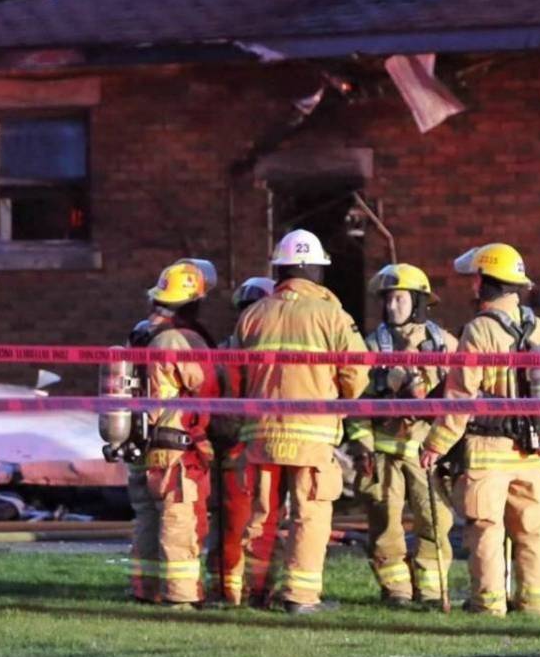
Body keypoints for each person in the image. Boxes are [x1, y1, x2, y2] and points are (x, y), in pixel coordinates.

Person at [234, 231, 368, 613]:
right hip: (312, 435)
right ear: (314, 269)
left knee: (262, 515)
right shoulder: (332, 315)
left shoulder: (253, 315)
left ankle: (254, 592)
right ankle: (300, 596)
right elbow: (356, 378)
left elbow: (234, 379)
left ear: (281, 268)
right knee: (309, 514)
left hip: (261, 434)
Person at [421, 243, 540, 616]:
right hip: (531, 450)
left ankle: (488, 605)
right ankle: (535, 606)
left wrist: (435, 444)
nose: (471, 286)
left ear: (483, 281)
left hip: (487, 450)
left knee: (486, 530)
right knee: (533, 531)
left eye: (474, 279)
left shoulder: (479, 331)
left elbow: (461, 397)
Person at [345, 263, 456, 607]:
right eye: (388, 300)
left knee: (435, 521)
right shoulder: (370, 347)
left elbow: (460, 400)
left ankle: (433, 590)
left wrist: (447, 446)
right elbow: (355, 403)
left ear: (420, 302)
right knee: (385, 524)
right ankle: (396, 591)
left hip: (427, 453)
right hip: (382, 453)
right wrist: (362, 447)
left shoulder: (445, 346)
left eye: (399, 299)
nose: (392, 307)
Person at [136, 260, 220, 608]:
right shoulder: (179, 339)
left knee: (150, 519)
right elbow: (209, 388)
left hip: (150, 442)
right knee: (180, 520)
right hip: (179, 447)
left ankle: (146, 589)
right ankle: (181, 596)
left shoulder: (143, 333)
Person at [207, 276, 275, 607]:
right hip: (250, 448)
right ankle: (249, 590)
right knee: (253, 523)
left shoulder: (224, 352)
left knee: (232, 523)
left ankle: (229, 588)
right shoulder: (270, 358)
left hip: (231, 447)